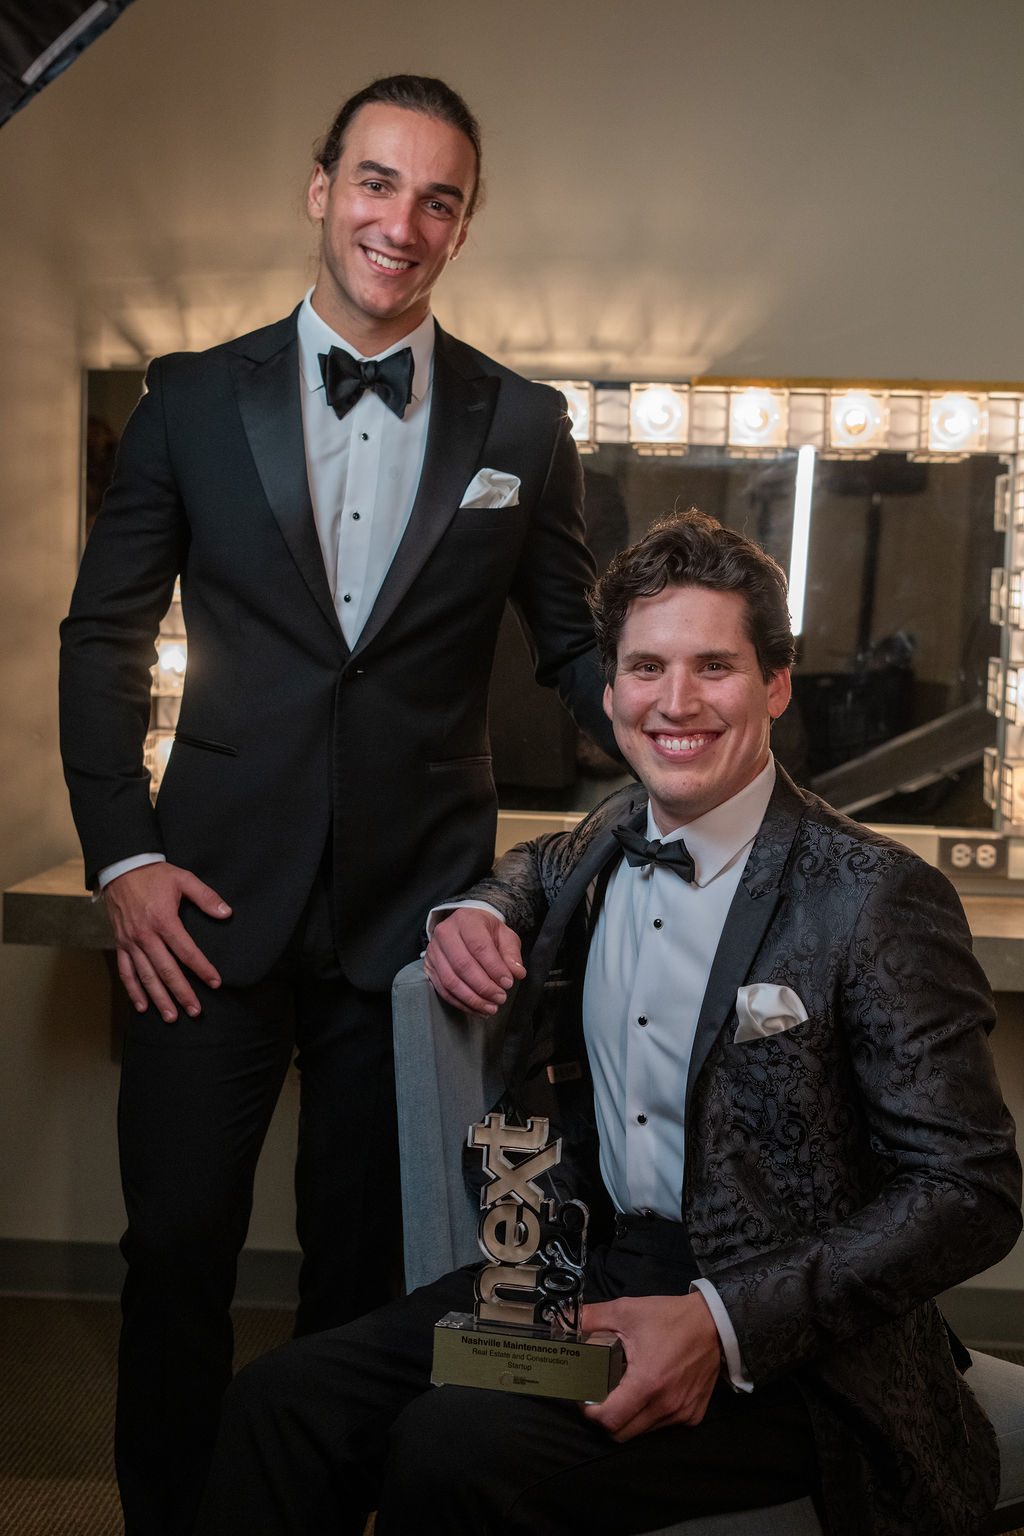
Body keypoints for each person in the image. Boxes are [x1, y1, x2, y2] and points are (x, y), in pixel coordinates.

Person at [193, 509, 1021, 1536]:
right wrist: (482, 908)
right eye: (645, 668)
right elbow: (531, 866)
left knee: (450, 1449)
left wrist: (721, 1326)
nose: (675, 703)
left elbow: (968, 1191)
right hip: (586, 1267)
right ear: (611, 689)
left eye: (713, 667)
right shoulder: (608, 833)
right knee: (281, 1406)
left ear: (773, 685)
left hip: (799, 1343)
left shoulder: (874, 895)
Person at [58, 74, 614, 1536]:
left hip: (415, 922)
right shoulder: (188, 396)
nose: (402, 221)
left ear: (464, 226)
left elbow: (571, 642)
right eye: (377, 183)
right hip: (200, 902)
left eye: (438, 198)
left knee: (366, 1275)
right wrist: (123, 852)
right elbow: (103, 636)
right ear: (322, 191)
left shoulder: (526, 421)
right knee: (175, 1250)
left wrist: (688, 708)